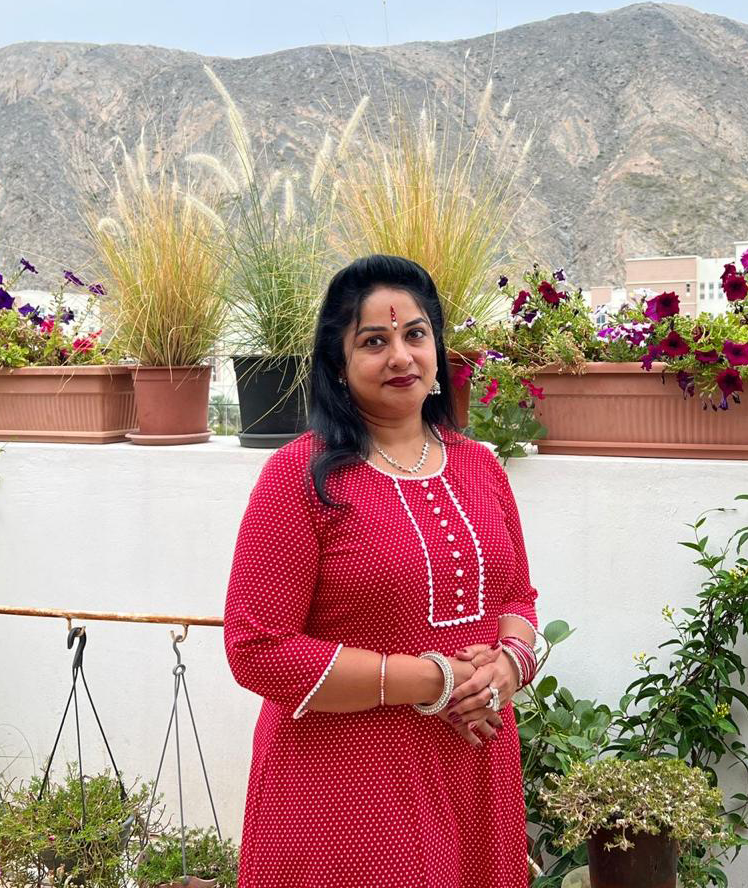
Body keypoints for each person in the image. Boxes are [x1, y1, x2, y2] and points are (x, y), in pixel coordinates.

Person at [223, 254, 540, 887]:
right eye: (373, 341)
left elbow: (517, 598)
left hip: (474, 771)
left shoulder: (479, 466)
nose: (401, 357)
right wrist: (431, 680)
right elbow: (257, 649)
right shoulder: (301, 476)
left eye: (415, 334)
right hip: (348, 791)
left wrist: (509, 667)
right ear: (338, 364)